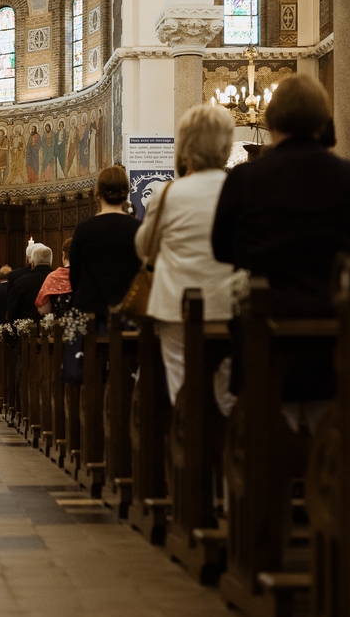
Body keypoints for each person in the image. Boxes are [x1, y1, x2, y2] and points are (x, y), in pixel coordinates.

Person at [212, 74, 350, 430]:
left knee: (265, 436)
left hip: (264, 333)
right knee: (328, 436)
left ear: (269, 121)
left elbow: (220, 249)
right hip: (334, 333)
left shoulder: (246, 179)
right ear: (323, 122)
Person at [135, 104, 235, 405]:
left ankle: (187, 441)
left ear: (185, 147)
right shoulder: (237, 189)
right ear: (226, 145)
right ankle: (226, 446)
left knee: (182, 385)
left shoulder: (168, 193)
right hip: (227, 305)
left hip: (175, 305)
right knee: (227, 390)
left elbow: (144, 247)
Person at [69, 165, 142, 330]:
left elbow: (75, 278)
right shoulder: (138, 229)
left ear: (98, 193)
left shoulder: (84, 229)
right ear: (126, 192)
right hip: (128, 315)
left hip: (90, 316)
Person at [6, 244, 52, 322]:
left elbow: (12, 311)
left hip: (27, 328)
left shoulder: (20, 282)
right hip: (54, 328)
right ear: (50, 262)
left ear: (33, 263)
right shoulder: (57, 279)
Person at [35, 238, 73, 317]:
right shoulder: (87, 277)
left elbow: (43, 310)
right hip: (86, 326)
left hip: (60, 326)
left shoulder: (53, 277)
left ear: (63, 254)